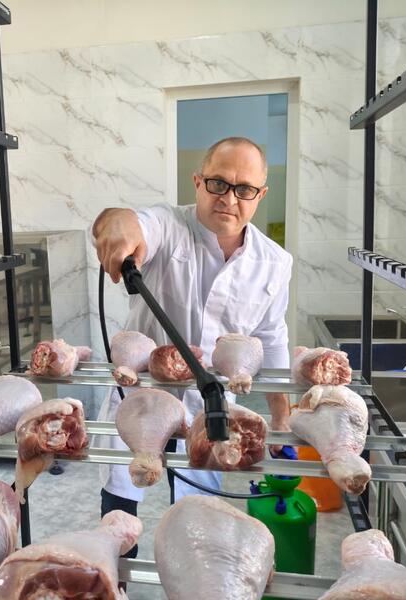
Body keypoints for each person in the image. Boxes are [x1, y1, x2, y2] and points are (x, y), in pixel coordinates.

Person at [92, 136, 293, 552]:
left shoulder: (275, 262)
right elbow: (132, 222)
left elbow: (273, 339)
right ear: (198, 182)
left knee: (198, 524)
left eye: (244, 189)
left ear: (260, 195)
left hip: (207, 409)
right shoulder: (169, 226)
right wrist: (116, 221)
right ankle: (117, 578)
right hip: (139, 398)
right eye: (218, 183)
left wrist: (282, 419)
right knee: (119, 516)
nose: (229, 199)